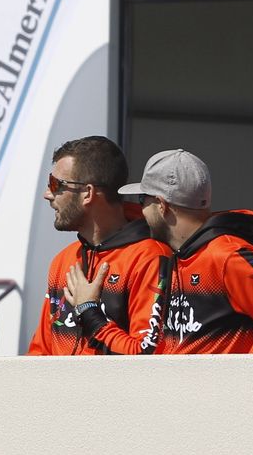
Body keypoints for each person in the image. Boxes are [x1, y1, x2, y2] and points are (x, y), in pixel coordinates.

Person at [122, 148, 253, 354]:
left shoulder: (227, 255)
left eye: (142, 200)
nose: (140, 211)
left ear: (161, 205)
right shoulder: (178, 255)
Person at [27, 136, 170, 355]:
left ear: (88, 193)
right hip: (60, 389)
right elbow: (40, 352)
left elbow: (146, 358)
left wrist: (89, 310)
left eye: (56, 185)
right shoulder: (63, 261)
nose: (48, 194)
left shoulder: (149, 258)